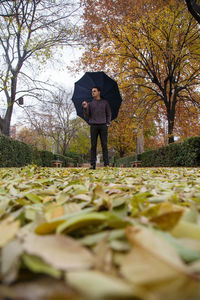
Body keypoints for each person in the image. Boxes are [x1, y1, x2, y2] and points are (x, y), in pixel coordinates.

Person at [82, 86, 111, 169]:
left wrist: (108, 123)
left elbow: (108, 113)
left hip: (103, 126)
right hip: (93, 125)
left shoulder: (105, 103)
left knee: (104, 145)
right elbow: (87, 116)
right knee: (93, 146)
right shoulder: (90, 104)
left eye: (94, 91)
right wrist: (85, 108)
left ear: (99, 92)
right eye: (92, 91)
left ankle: (106, 164)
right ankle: (92, 165)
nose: (93, 92)